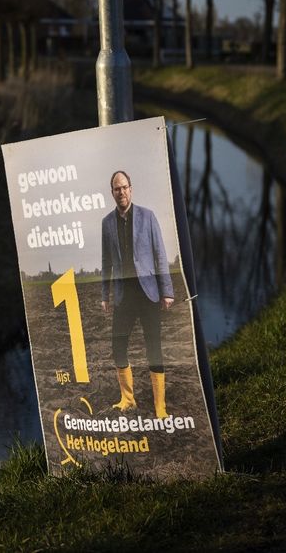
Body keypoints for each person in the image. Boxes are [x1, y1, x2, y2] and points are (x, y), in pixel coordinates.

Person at [100, 170, 175, 419]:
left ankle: (160, 407)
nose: (121, 192)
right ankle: (128, 399)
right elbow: (106, 262)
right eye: (116, 189)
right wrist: (104, 295)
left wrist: (167, 291)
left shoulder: (148, 216)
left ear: (131, 189)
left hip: (149, 293)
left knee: (153, 345)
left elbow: (160, 255)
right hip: (124, 295)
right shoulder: (107, 223)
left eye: (124, 187)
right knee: (118, 345)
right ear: (112, 193)